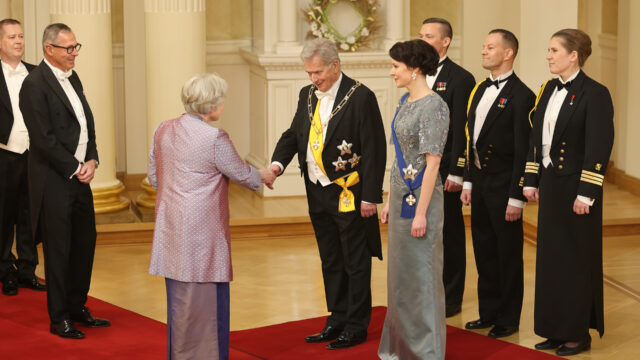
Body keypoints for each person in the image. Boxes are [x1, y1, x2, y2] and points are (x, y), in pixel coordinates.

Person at [269, 38, 386, 350]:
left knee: (355, 259)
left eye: (318, 72)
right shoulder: (307, 95)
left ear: (335, 66)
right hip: (316, 190)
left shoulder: (361, 96)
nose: (313, 79)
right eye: (309, 72)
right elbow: (294, 135)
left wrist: (371, 196)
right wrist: (277, 165)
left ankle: (357, 324)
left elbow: (375, 148)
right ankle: (337, 316)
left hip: (349, 192)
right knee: (331, 257)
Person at [148, 73, 273, 360]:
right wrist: (263, 175)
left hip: (170, 227)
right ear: (212, 104)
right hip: (202, 231)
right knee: (205, 301)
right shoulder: (214, 137)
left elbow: (155, 178)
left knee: (179, 299)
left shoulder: (162, 129)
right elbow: (242, 173)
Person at [523, 29, 614, 357]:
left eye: (553, 50)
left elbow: (598, 146)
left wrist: (586, 192)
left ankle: (576, 333)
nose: (548, 55)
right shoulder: (547, 89)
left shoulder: (596, 93)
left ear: (573, 55)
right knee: (551, 260)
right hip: (551, 184)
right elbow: (537, 137)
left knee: (575, 261)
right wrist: (531, 179)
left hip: (578, 188)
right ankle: (553, 329)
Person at [19, 23, 109, 339]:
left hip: (81, 176)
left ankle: (76, 306)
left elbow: (87, 124)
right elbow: (42, 140)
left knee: (85, 244)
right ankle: (59, 318)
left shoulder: (73, 77)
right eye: (68, 48)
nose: (74, 54)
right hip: (55, 181)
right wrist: (75, 166)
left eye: (75, 47)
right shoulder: (34, 85)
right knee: (59, 250)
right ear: (49, 50)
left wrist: (93, 158)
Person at [460, 29, 535, 338]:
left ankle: (508, 318)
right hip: (479, 181)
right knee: (484, 249)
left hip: (505, 185)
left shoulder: (523, 95)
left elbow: (523, 150)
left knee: (507, 253)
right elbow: (469, 140)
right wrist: (467, 180)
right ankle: (488, 311)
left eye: (490, 47)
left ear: (508, 53)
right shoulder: (478, 89)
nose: (483, 51)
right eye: (483, 46)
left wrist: (517, 197)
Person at [378, 39, 449, 360]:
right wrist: (389, 199)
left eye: (396, 66)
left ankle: (427, 351)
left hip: (422, 200)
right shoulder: (405, 101)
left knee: (422, 275)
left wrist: (422, 213)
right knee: (400, 275)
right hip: (401, 195)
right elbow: (399, 157)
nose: (392, 71)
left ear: (415, 69)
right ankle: (401, 346)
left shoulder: (434, 106)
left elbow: (432, 162)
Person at [419, 18, 475, 317]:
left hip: (445, 169)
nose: (423, 40)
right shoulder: (414, 73)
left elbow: (462, 130)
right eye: (420, 35)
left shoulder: (461, 79)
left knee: (449, 232)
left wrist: (457, 171)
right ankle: (427, 290)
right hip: (418, 169)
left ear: (446, 41)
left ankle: (451, 296)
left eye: (429, 36)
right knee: (422, 230)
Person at [0, 18, 44, 296]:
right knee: (4, 215)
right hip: (5, 154)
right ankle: (6, 271)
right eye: (11, 37)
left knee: (31, 215)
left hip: (34, 155)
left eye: (21, 36)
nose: (18, 41)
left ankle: (28, 270)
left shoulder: (37, 73)